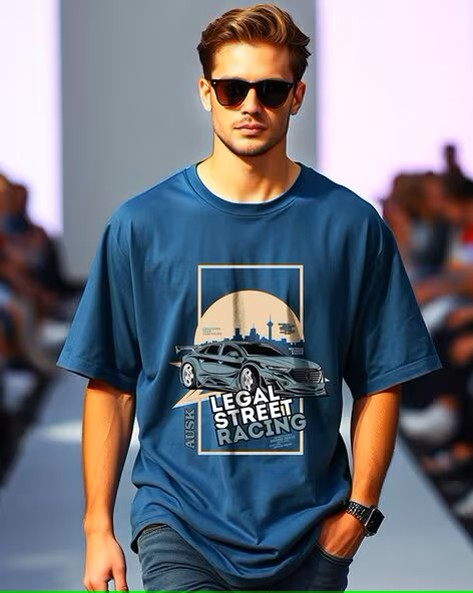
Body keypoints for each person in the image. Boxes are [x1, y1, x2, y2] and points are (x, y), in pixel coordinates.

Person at [56, 4, 442, 591]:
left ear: (297, 96)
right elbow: (111, 383)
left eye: (270, 89)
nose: (250, 106)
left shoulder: (351, 225)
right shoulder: (141, 226)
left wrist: (357, 515)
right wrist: (96, 528)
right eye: (233, 89)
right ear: (206, 93)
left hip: (310, 534)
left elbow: (381, 378)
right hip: (179, 522)